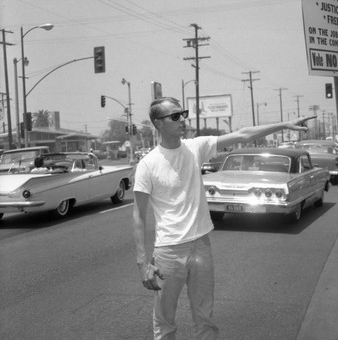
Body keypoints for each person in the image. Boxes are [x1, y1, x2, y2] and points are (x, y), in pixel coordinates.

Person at [132, 97, 315, 340]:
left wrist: (285, 124)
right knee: (165, 322)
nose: (183, 120)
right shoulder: (148, 164)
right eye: (175, 116)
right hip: (169, 251)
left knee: (205, 319)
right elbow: (138, 215)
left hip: (201, 247)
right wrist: (143, 263)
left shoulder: (195, 147)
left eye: (183, 113)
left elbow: (244, 134)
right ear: (158, 123)